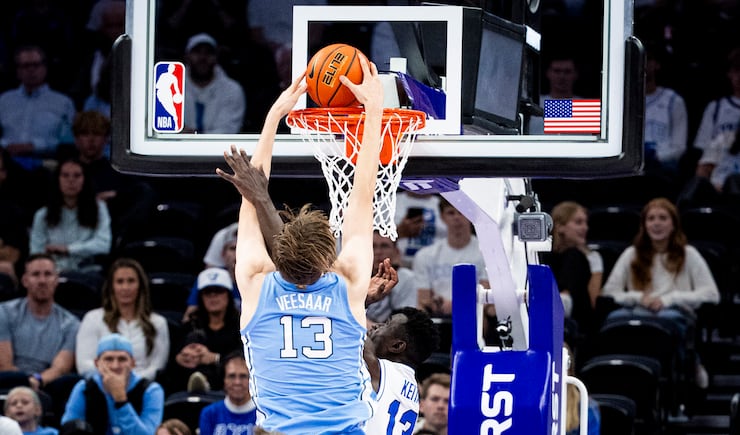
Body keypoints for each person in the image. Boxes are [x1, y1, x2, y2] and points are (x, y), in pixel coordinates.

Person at [216, 57, 383, 433]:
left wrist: (275, 116)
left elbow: (252, 193)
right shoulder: (348, 282)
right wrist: (374, 110)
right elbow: (362, 196)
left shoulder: (256, 282)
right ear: (328, 256)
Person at [602, 197, 720, 387]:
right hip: (636, 310)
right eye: (651, 218)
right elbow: (609, 292)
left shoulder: (689, 254)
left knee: (668, 320)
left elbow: (711, 294)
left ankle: (685, 369)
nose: (656, 223)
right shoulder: (631, 254)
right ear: (644, 225)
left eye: (663, 218)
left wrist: (668, 299)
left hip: (674, 312)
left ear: (673, 224)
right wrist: (639, 297)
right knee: (615, 319)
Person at [76, 258, 170, 381]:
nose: (125, 287)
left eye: (131, 281)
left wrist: (129, 383)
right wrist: (111, 381)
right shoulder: (92, 318)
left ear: (140, 285)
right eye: (120, 282)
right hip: (102, 384)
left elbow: (157, 367)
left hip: (141, 385)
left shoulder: (158, 323)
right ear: (112, 287)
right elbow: (84, 364)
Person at [72, 111, 157, 245]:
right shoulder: (67, 172)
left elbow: (142, 193)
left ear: (106, 139)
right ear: (76, 139)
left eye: (97, 134)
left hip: (112, 230)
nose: (91, 140)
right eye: (85, 134)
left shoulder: (118, 171)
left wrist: (116, 196)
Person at [0, 254, 79, 390]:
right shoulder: (4, 312)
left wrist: (36, 381)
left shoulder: (71, 324)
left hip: (45, 387)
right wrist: (23, 385)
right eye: (35, 274)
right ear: (25, 281)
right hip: (7, 384)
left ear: (56, 280)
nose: (42, 281)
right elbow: (4, 364)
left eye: (48, 274)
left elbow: (60, 368)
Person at [61, 333, 164, 435]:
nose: (115, 366)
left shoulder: (151, 391)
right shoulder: (83, 388)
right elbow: (69, 429)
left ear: (132, 363)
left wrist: (121, 400)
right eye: (108, 359)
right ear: (97, 363)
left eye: (122, 359)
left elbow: (147, 433)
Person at [364, 307, 440, 434]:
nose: (377, 325)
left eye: (386, 324)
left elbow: (358, 337)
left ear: (397, 346)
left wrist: (361, 303)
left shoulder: (385, 371)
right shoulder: (413, 388)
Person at [29, 157, 112, 273]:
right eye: (65, 175)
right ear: (57, 179)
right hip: (54, 273)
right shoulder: (42, 215)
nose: (71, 180)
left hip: (89, 272)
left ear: (85, 179)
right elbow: (36, 253)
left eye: (77, 175)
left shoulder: (99, 209)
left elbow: (103, 245)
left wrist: (68, 249)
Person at [0, 45, 76, 170]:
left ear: (45, 68)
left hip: (47, 164)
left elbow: (69, 142)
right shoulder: (4, 100)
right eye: (26, 66)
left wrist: (34, 146)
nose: (31, 70)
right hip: (7, 163)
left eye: (36, 65)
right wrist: (6, 145)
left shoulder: (63, 103)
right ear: (18, 71)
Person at [413, 197, 489, 317]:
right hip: (437, 316)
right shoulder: (425, 255)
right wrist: (434, 304)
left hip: (474, 314)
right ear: (442, 217)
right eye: (451, 213)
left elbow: (486, 295)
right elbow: (423, 300)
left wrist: (455, 305)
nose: (456, 217)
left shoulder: (486, 253)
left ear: (470, 215)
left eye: (461, 212)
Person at [171, 267, 242, 392]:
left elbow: (245, 358)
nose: (213, 296)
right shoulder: (189, 327)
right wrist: (181, 358)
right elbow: (172, 358)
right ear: (201, 297)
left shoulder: (241, 326)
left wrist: (215, 358)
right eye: (207, 292)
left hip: (229, 384)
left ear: (228, 295)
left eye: (218, 291)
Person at [545, 201, 603, 335]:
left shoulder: (592, 257)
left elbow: (593, 300)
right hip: (550, 314)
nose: (585, 228)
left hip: (578, 319)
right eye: (578, 222)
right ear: (560, 226)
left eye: (586, 223)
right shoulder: (542, 254)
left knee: (574, 255)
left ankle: (562, 301)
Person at [182, 33, 246, 134]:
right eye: (197, 52)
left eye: (208, 53)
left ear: (216, 57)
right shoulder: (172, 87)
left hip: (217, 145)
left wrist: (192, 136)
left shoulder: (232, 90)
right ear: (187, 56)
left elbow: (227, 131)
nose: (202, 58)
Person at [643, 43, 688, 179]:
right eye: (639, 58)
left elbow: (679, 147)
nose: (643, 63)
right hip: (632, 166)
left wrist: (655, 156)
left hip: (662, 166)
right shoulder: (623, 100)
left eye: (648, 59)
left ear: (656, 64)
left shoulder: (673, 100)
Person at [183, 224, 240, 321]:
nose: (238, 253)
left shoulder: (262, 280)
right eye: (233, 248)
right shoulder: (209, 278)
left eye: (243, 248)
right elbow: (188, 318)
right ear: (223, 254)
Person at [693, 47, 740, 159]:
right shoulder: (715, 108)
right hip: (720, 166)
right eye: (737, 70)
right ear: (729, 74)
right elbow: (702, 147)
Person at [198, 351, 257, 435]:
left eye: (243, 376)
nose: (237, 382)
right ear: (224, 380)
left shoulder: (264, 415)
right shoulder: (209, 413)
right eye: (232, 376)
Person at [366, 231, 418, 325]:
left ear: (396, 251)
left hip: (391, 332)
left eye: (384, 246)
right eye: (373, 246)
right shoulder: (356, 277)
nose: (378, 252)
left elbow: (404, 323)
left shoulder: (406, 278)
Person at [393, 192, 447, 268]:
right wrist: (399, 232)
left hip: (436, 266)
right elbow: (377, 239)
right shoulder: (389, 201)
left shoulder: (445, 205)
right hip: (397, 265)